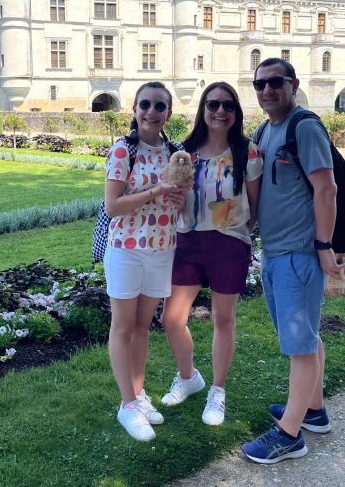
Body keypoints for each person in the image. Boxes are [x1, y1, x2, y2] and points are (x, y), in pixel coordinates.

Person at [241, 58, 345, 464]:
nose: (267, 90)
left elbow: (326, 190)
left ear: (293, 84)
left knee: (300, 344)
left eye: (275, 82)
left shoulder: (305, 127)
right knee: (306, 335)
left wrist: (323, 246)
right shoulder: (266, 130)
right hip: (275, 250)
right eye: (260, 84)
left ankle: (289, 436)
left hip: (300, 253)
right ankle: (314, 411)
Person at [160, 82, 262, 425]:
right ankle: (189, 378)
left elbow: (255, 202)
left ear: (236, 112)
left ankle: (217, 391)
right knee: (171, 319)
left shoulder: (247, 153)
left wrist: (241, 234)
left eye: (228, 106)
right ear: (203, 109)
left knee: (223, 318)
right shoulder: (183, 152)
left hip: (228, 243)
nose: (220, 112)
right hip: (188, 241)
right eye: (213, 105)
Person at [103, 81, 187, 442]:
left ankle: (138, 395)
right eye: (145, 105)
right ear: (134, 111)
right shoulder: (124, 151)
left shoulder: (175, 153)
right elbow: (113, 206)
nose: (151, 112)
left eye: (159, 106)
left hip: (161, 248)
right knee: (122, 327)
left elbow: (182, 203)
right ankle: (127, 405)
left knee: (142, 327)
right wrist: (155, 192)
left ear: (169, 112)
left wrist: (180, 201)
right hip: (127, 248)